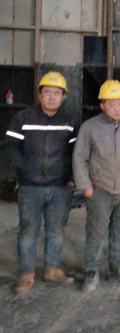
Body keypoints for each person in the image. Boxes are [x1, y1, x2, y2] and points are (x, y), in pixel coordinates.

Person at [5, 72, 77, 294]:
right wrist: (23, 168)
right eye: (47, 92)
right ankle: (26, 274)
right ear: (40, 95)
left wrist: (73, 177)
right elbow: (10, 145)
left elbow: (77, 151)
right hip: (30, 187)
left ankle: (52, 269)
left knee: (56, 230)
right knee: (28, 231)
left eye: (57, 93)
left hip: (60, 187)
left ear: (63, 97)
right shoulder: (23, 118)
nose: (52, 97)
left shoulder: (70, 120)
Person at [73, 79, 120, 292]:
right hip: (99, 190)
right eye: (112, 103)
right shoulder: (90, 127)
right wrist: (85, 185)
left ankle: (118, 270)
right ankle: (92, 272)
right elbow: (79, 157)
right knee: (96, 232)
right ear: (102, 105)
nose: (117, 108)